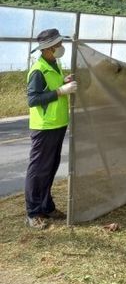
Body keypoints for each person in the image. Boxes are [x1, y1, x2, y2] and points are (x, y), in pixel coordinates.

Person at [25, 28, 76, 229]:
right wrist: (60, 91)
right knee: (38, 170)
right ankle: (33, 212)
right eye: (58, 45)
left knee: (50, 168)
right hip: (44, 127)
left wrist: (63, 82)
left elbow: (51, 86)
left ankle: (46, 206)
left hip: (58, 124)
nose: (61, 47)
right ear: (47, 48)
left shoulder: (54, 64)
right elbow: (33, 99)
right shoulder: (38, 70)